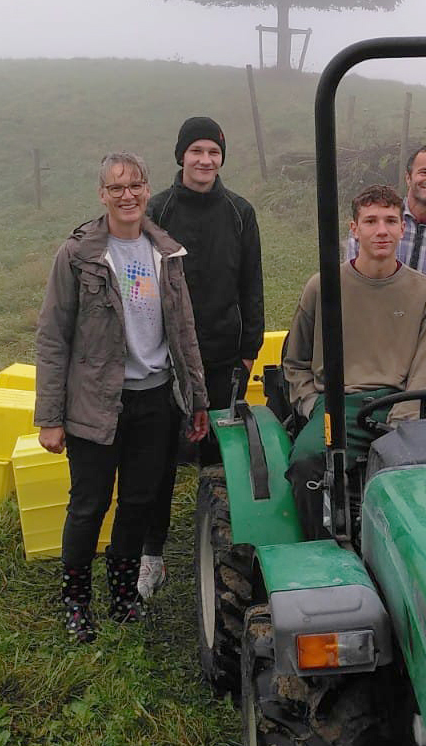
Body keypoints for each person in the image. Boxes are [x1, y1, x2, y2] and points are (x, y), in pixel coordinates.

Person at [35, 151, 209, 643]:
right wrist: (50, 417)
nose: (127, 195)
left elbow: (184, 330)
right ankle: (77, 603)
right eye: (116, 188)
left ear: (147, 189)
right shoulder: (79, 255)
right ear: (102, 195)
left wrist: (196, 398)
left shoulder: (165, 252)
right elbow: (52, 337)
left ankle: (122, 596)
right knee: (88, 504)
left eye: (135, 185)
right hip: (94, 403)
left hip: (154, 400)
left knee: (137, 501)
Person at [139, 116, 265, 600]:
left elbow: (251, 284)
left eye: (213, 151)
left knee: (219, 459)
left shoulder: (239, 212)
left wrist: (249, 350)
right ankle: (153, 555)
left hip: (221, 355)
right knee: (158, 459)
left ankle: (220, 550)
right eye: (196, 151)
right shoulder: (158, 210)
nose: (205, 160)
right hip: (162, 357)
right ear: (181, 156)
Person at [284, 184, 426, 538]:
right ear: (354, 229)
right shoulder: (322, 287)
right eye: (370, 221)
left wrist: (401, 425)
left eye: (390, 220)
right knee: (307, 462)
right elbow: (295, 361)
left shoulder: (424, 292)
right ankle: (320, 549)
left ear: (403, 227)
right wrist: (312, 404)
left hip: (406, 401)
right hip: (340, 404)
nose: (381, 230)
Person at [345, 144, 426, 341]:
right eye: (424, 172)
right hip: (369, 343)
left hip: (424, 356)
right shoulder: (375, 227)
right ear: (408, 177)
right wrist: (424, 291)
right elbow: (354, 289)